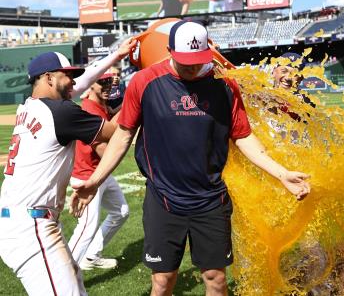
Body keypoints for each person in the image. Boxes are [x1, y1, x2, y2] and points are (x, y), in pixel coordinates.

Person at [70, 21, 310, 296]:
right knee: (162, 281)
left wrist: (281, 173)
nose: (192, 68)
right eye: (185, 62)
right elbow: (123, 136)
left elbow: (243, 137)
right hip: (163, 199)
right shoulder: (144, 82)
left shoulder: (224, 86)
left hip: (211, 200)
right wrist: (95, 180)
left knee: (215, 279)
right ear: (170, 50)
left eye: (198, 61)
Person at [0, 37, 136, 296]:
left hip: (20, 220)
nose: (74, 82)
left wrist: (116, 55)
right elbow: (117, 132)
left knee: (75, 284)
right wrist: (140, 94)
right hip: (32, 229)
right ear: (49, 78)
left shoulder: (28, 107)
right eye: (68, 76)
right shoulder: (61, 113)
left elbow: (81, 84)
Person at [68, 73, 129, 270]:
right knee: (86, 228)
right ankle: (64, 272)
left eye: (109, 82)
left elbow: (112, 112)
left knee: (121, 212)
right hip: (87, 176)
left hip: (99, 173)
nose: (106, 86)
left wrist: (126, 97)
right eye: (101, 81)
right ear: (90, 85)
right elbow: (104, 152)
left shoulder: (99, 105)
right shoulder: (88, 109)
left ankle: (92, 255)